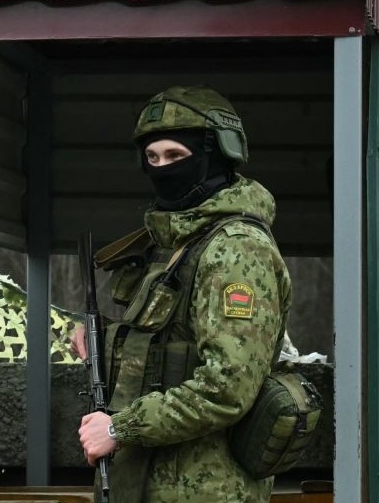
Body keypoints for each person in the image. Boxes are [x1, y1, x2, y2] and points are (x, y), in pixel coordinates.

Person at [74, 85, 292, 503]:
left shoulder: (235, 249)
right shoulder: (176, 247)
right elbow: (167, 348)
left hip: (204, 489)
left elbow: (228, 386)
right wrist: (105, 341)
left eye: (175, 156)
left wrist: (120, 428)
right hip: (148, 484)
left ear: (216, 155)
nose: (162, 169)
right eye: (152, 158)